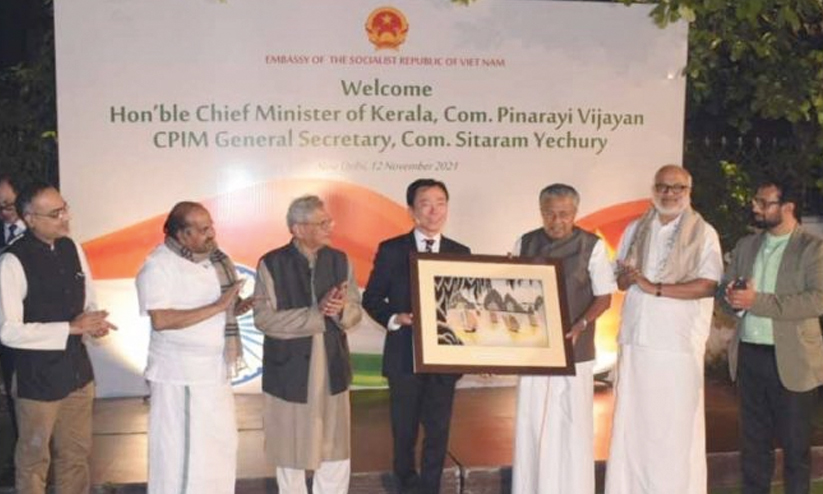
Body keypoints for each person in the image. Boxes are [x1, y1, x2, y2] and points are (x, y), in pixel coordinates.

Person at [605, 165, 723, 494]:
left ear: (689, 191)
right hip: (636, 340)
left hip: (676, 345)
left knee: (673, 428)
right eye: (662, 187)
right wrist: (626, 278)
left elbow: (708, 285)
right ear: (653, 189)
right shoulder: (636, 229)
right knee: (634, 425)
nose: (669, 193)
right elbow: (619, 280)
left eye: (677, 187)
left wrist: (653, 287)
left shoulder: (704, 233)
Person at [0, 181, 116, 494]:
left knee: (76, 456)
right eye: (55, 214)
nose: (65, 217)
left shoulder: (71, 247)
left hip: (78, 372)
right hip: (36, 378)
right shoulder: (12, 262)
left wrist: (93, 321)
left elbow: (88, 301)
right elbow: (8, 331)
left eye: (64, 209)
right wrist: (70, 328)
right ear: (30, 219)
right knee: (34, 460)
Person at [363, 178, 470, 494]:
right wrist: (395, 318)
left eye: (440, 203)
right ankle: (406, 487)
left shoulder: (460, 252)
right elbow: (372, 298)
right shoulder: (392, 250)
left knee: (438, 433)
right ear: (411, 210)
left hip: (444, 358)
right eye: (425, 203)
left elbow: (468, 307)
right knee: (404, 433)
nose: (434, 211)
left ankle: (430, 489)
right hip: (404, 357)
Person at [135, 201, 248, 494]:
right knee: (186, 458)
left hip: (214, 372)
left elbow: (220, 310)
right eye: (203, 229)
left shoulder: (216, 260)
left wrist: (239, 306)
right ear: (182, 235)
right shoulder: (158, 265)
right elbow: (161, 320)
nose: (211, 233)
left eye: (211, 226)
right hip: (182, 377)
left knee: (220, 448)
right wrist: (218, 306)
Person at [510, 183, 615, 494]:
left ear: (575, 213)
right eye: (550, 214)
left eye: (564, 214)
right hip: (533, 350)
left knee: (570, 426)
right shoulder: (524, 242)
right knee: (531, 423)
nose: (557, 221)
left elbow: (604, 298)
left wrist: (581, 324)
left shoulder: (592, 246)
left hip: (575, 352)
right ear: (541, 212)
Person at [253, 195, 362, 494]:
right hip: (289, 372)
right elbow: (264, 319)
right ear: (298, 229)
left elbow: (355, 310)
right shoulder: (272, 263)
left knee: (335, 448)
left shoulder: (339, 259)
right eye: (322, 222)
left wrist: (339, 310)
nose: (330, 227)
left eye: (329, 221)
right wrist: (315, 314)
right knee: (290, 448)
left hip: (332, 367)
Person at [723, 179, 823, 494]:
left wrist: (756, 302)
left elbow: (817, 300)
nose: (756, 207)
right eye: (756, 201)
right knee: (753, 447)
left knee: (795, 449)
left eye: (764, 203)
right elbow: (726, 289)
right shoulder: (747, 245)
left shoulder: (812, 249)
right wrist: (731, 297)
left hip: (793, 360)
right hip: (750, 356)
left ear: (788, 207)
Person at [0, 173, 25, 484]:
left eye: (8, 204)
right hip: (3, 331)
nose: (5, 211)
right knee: (11, 393)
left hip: (31, 329)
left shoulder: (39, 233)